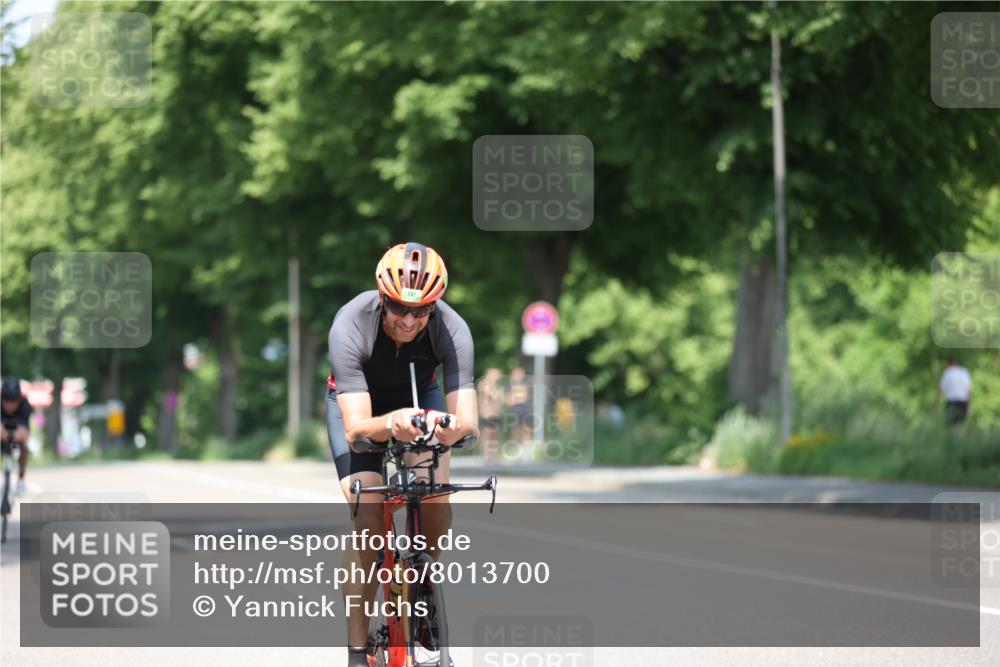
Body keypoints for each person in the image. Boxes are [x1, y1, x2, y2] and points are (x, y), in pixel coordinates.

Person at [326, 242, 478, 667]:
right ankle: (357, 650)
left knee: (434, 496)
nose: (409, 320)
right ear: (382, 297)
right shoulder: (350, 325)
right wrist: (392, 422)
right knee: (369, 520)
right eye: (398, 308)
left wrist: (449, 429)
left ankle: (422, 584)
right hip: (359, 406)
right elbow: (357, 429)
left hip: (421, 394)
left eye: (422, 311)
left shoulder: (453, 329)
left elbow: (468, 422)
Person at [1, 376, 32, 497]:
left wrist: (13, 436)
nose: (9, 406)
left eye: (13, 401)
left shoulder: (25, 405)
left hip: (18, 433)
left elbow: (23, 431)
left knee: (25, 447)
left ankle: (21, 480)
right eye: (6, 401)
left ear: (19, 400)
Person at [476, 368, 503, 462]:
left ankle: (494, 454)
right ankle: (486, 454)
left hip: (496, 414)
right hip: (487, 413)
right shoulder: (483, 384)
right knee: (487, 434)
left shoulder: (496, 386)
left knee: (495, 435)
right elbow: (491, 395)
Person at [938, 357, 972, 426]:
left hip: (951, 402)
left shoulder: (947, 373)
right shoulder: (964, 372)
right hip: (963, 402)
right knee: (960, 424)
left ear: (948, 364)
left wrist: (936, 403)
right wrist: (969, 406)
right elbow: (968, 391)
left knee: (950, 424)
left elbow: (941, 390)